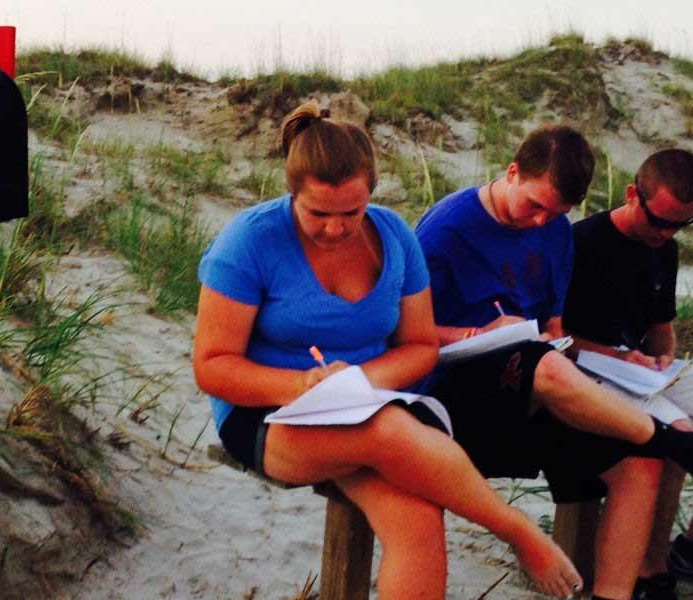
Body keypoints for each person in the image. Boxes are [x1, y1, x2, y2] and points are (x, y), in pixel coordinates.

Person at [192, 102, 583, 599]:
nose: (335, 229)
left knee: (420, 523)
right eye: (318, 214)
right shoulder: (250, 241)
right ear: (293, 195)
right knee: (386, 430)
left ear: (371, 193)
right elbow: (212, 366)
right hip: (268, 413)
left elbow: (420, 347)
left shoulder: (394, 236)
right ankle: (518, 530)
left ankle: (509, 531)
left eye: (351, 213)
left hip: (368, 399)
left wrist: (357, 383)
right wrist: (303, 384)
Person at [415, 125, 693, 600]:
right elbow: (406, 332)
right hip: (457, 388)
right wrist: (477, 333)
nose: (543, 221)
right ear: (512, 173)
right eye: (535, 206)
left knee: (639, 463)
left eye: (556, 212)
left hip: (539, 388)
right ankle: (668, 437)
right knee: (541, 365)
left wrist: (581, 352)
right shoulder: (447, 231)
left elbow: (556, 327)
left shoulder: (557, 233)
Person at [563, 148, 693, 600]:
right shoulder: (583, 244)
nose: (667, 233)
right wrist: (620, 360)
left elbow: (659, 329)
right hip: (585, 374)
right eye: (660, 221)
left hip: (640, 373)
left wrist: (662, 358)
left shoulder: (665, 250)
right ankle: (649, 567)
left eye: (681, 225)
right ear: (633, 194)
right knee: (675, 435)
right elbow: (554, 339)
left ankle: (684, 551)